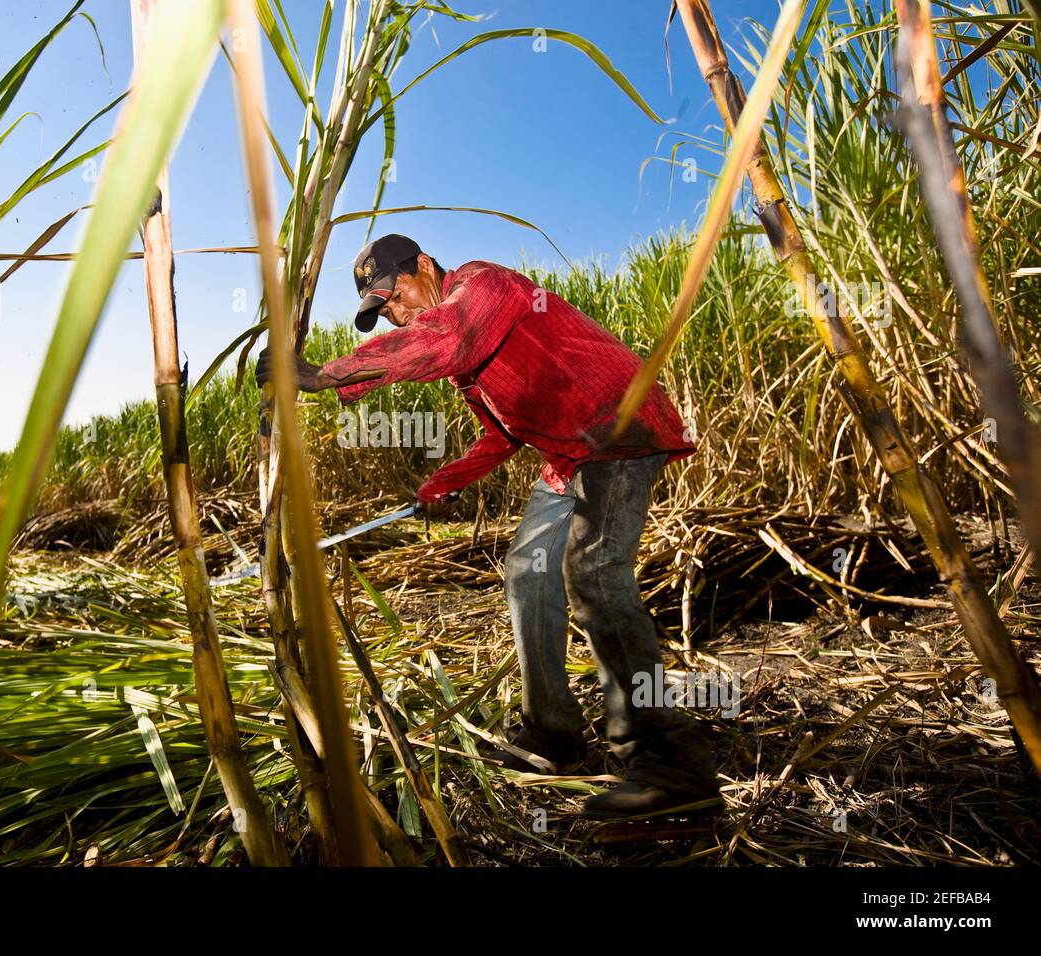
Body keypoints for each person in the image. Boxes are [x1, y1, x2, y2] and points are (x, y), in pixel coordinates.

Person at [256, 233, 720, 819]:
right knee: (527, 570)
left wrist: (327, 374)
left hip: (618, 424)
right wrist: (441, 484)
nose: (395, 313)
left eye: (394, 295)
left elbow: (445, 338)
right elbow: (501, 435)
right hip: (568, 455)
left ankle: (670, 761)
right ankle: (554, 734)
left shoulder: (484, 285)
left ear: (424, 266)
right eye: (383, 311)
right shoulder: (471, 369)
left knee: (594, 571)